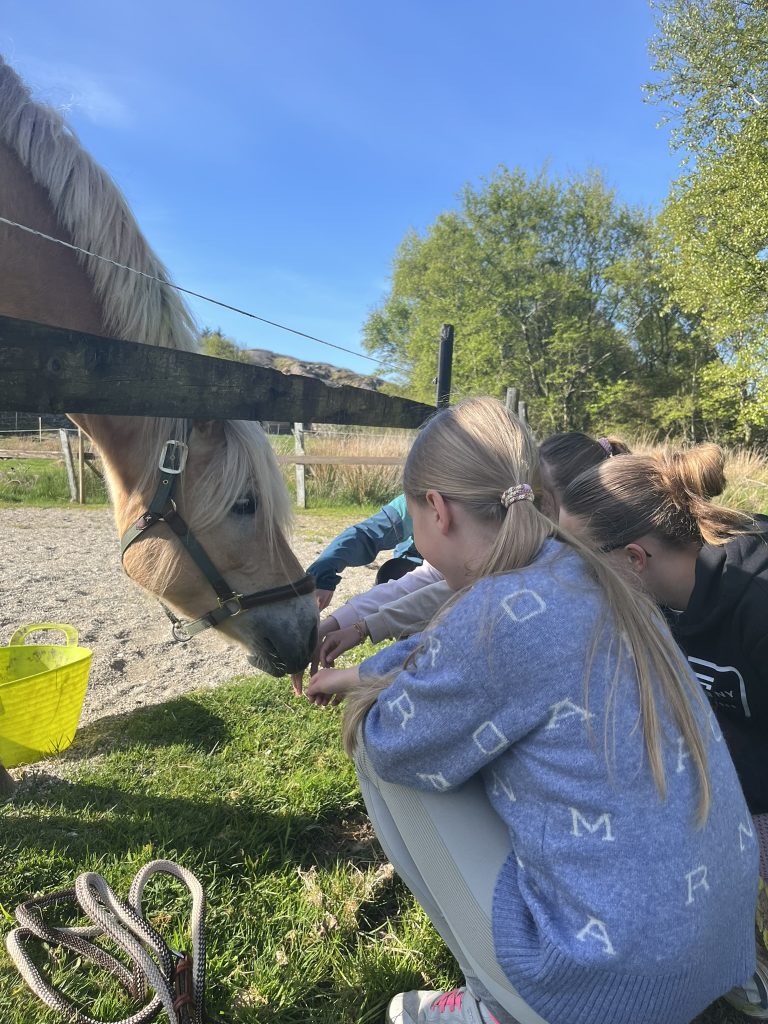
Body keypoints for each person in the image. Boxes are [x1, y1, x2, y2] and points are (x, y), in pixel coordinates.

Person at [306, 397, 758, 1024]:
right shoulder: (588, 568)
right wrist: (361, 669)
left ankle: (500, 1004)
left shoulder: (494, 617)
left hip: (616, 985)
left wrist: (365, 692)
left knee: (377, 746)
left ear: (436, 509)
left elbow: (398, 738)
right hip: (719, 943)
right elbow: (450, 650)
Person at [559, 443, 768, 1017]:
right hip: (721, 770)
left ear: (632, 558)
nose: (569, 578)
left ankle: (738, 954)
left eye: (578, 560)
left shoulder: (757, 605)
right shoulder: (654, 599)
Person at [312, 431, 631, 672]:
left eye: (536, 498)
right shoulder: (521, 553)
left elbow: (444, 643)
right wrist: (353, 624)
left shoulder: (550, 585)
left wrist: (363, 673)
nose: (521, 503)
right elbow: (432, 584)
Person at [306, 493, 422, 611]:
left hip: (434, 580)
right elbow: (366, 535)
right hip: (416, 572)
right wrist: (323, 572)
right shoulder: (419, 498)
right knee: (395, 572)